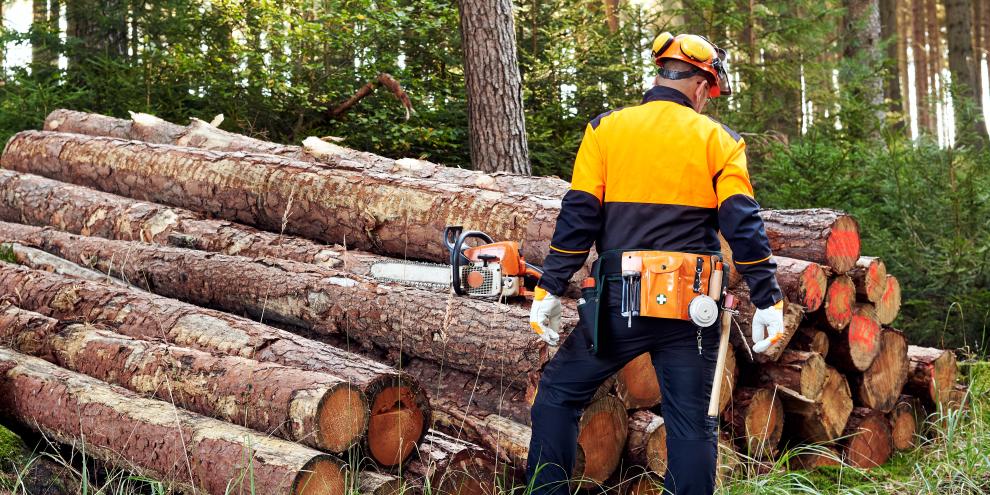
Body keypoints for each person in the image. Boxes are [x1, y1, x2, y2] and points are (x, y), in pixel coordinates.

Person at [526, 33, 785, 495]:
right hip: (691, 309)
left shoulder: (606, 129)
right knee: (691, 426)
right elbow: (742, 223)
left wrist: (549, 288)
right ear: (704, 86)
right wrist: (768, 298)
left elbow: (579, 215)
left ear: (660, 74)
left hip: (617, 303)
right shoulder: (718, 139)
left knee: (558, 398)